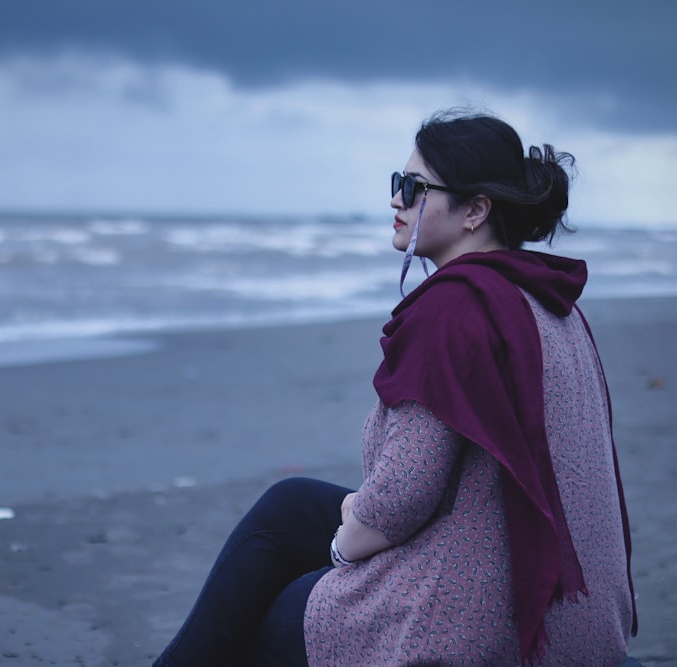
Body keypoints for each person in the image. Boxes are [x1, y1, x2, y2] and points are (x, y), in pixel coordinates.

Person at [152, 109, 638, 666]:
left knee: (271, 618)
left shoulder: (458, 308)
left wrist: (340, 551)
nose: (396, 200)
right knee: (291, 505)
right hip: (583, 617)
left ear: (475, 211)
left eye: (413, 188)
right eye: (396, 184)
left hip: (495, 625)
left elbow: (403, 494)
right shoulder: (552, 304)